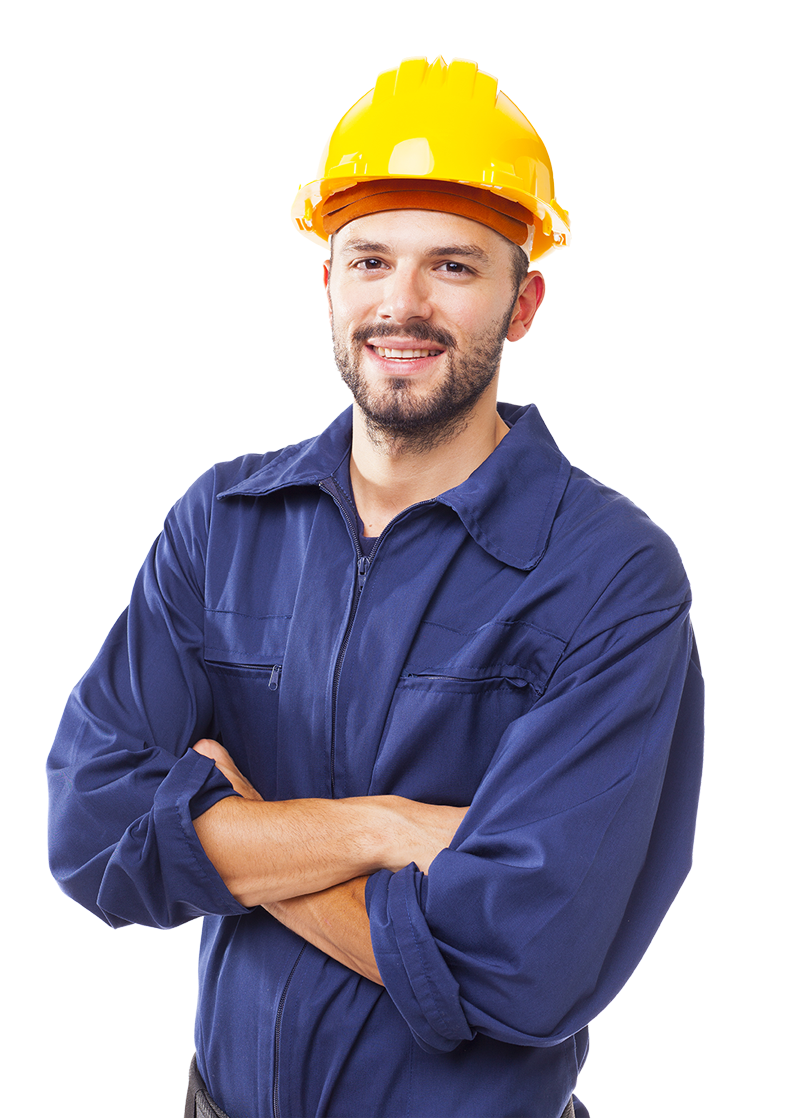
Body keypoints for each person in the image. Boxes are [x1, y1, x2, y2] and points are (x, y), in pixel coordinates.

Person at [46, 55, 704, 1118]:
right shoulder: (220, 521)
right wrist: (385, 826)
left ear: (522, 299)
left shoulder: (610, 577)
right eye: (368, 260)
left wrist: (236, 830)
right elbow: (88, 830)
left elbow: (520, 969)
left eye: (451, 265)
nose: (400, 303)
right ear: (327, 281)